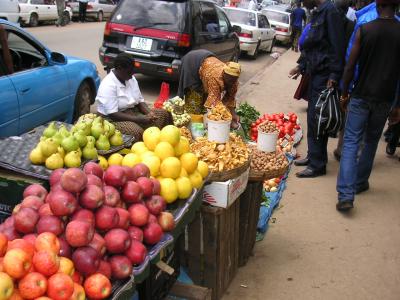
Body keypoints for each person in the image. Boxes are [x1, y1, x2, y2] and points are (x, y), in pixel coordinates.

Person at [336, 0, 400, 211]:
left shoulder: (365, 29)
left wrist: (344, 93)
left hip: (361, 95)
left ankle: (346, 195)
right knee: (371, 141)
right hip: (385, 99)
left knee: (351, 142)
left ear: (378, 5)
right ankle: (360, 182)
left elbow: (350, 65)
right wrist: (397, 105)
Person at [289, 0, 345, 178]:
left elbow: (338, 47)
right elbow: (312, 47)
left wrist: (334, 76)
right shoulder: (317, 12)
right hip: (314, 73)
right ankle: (313, 156)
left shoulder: (331, 12)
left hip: (324, 76)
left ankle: (318, 165)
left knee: (319, 119)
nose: (302, 2)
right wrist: (301, 66)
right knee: (313, 118)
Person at [96, 54, 172, 141]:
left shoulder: (130, 78)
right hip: (112, 120)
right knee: (136, 131)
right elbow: (113, 114)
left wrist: (149, 113)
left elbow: (140, 101)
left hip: (133, 112)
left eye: (133, 71)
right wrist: (139, 119)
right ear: (119, 68)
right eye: (129, 72)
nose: (132, 75)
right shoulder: (108, 84)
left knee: (164, 114)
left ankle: (164, 142)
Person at [177, 49, 241, 129]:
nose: (231, 81)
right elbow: (215, 104)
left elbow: (230, 99)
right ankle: (192, 130)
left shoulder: (234, 82)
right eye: (229, 78)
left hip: (207, 63)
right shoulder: (215, 77)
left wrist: (233, 115)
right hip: (193, 62)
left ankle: (203, 125)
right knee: (195, 102)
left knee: (205, 103)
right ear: (223, 73)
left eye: (234, 79)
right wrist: (224, 120)